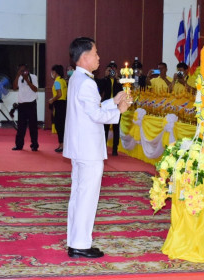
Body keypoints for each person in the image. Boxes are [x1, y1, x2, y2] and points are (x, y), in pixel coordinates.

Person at [63, 37, 130, 259]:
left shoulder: (76, 79)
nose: (99, 57)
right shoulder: (87, 82)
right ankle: (81, 244)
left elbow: (91, 107)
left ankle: (75, 241)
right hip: (88, 149)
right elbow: (96, 115)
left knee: (79, 195)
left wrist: (114, 101)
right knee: (87, 196)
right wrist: (119, 110)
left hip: (79, 147)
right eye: (96, 53)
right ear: (84, 57)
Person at [97, 61, 123, 156]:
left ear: (116, 70)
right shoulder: (105, 80)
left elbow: (123, 91)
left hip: (116, 106)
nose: (112, 72)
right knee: (105, 128)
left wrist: (117, 79)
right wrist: (105, 76)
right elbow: (99, 88)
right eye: (110, 70)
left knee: (116, 128)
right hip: (107, 105)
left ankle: (115, 149)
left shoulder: (119, 80)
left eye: (113, 70)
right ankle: (103, 147)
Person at [12, 64, 39, 151]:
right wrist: (17, 75)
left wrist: (27, 80)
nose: (23, 72)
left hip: (31, 104)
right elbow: (14, 87)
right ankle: (19, 145)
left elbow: (35, 89)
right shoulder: (19, 78)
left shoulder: (33, 77)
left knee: (33, 126)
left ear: (28, 69)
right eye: (21, 70)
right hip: (22, 105)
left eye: (24, 70)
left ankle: (34, 145)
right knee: (21, 127)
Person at [49, 64, 67, 153]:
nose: (51, 73)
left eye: (52, 71)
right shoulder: (63, 81)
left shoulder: (56, 82)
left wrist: (52, 99)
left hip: (59, 104)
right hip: (64, 104)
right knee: (62, 126)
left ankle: (61, 145)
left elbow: (59, 94)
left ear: (55, 72)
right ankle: (62, 144)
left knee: (59, 126)